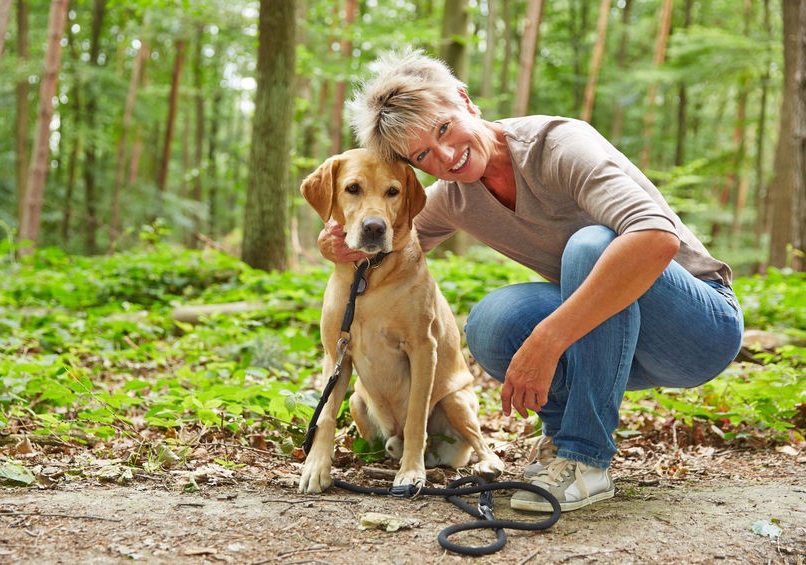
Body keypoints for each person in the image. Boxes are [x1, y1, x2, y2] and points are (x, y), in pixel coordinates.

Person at [318, 49, 744, 512]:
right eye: (423, 155)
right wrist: (336, 244)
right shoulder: (454, 196)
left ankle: (586, 457)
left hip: (698, 329)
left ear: (464, 100)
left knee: (591, 245)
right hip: (618, 337)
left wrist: (549, 339)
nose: (446, 155)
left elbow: (656, 238)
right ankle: (560, 440)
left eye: (444, 128)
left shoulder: (559, 145)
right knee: (492, 321)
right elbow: (390, 239)